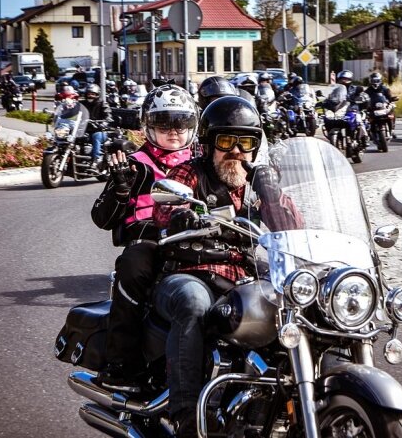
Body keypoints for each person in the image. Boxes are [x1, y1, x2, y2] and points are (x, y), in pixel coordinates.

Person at [150, 95, 303, 436]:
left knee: (294, 307)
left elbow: (294, 229)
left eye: (245, 142)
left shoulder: (257, 183)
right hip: (189, 273)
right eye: (226, 141)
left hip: (244, 279)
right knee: (194, 305)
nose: (236, 150)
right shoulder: (191, 172)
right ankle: (186, 414)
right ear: (208, 144)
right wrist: (181, 214)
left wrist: (270, 189)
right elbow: (164, 207)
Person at [90, 84, 198, 391]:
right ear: (148, 126)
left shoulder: (201, 162)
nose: (174, 131)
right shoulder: (135, 164)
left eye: (181, 123)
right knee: (134, 265)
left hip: (195, 236)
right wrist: (120, 188)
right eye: (164, 124)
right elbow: (102, 218)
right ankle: (121, 365)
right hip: (149, 239)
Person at [79, 84, 113, 169]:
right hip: (85, 130)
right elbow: (74, 113)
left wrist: (103, 123)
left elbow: (108, 116)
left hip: (100, 130)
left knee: (96, 136)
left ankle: (96, 159)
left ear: (97, 95)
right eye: (89, 94)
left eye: (93, 94)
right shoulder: (82, 104)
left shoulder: (102, 104)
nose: (90, 96)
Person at [364, 71, 397, 138]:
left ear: (380, 80)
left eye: (377, 80)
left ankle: (392, 129)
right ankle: (369, 132)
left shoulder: (384, 89)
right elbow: (364, 98)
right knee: (366, 117)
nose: (375, 82)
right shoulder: (367, 91)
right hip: (373, 108)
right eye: (373, 81)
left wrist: (392, 99)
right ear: (370, 81)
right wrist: (364, 104)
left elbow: (389, 96)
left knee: (392, 112)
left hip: (383, 107)